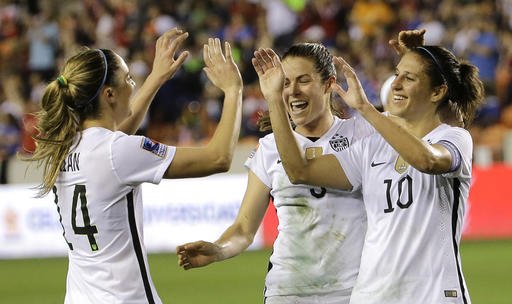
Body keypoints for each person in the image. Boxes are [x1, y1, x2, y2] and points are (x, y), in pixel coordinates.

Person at [251, 35, 484, 303]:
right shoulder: (372, 146)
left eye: (409, 77)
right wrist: (274, 100)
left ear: (438, 92)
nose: (395, 83)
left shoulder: (454, 139)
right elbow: (299, 170)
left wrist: (365, 108)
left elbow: (426, 160)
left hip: (433, 296)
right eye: (396, 74)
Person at [25, 29, 243, 304]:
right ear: (109, 95)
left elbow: (115, 142)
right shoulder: (118, 152)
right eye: (128, 78)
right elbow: (218, 158)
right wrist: (233, 89)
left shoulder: (64, 147)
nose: (133, 84)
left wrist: (157, 76)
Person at [176, 42, 375, 304]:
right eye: (285, 82)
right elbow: (244, 228)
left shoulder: (363, 136)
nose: (292, 91)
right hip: (287, 291)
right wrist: (218, 250)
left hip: (354, 291)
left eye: (303, 81)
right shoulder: (269, 148)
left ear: (329, 84)